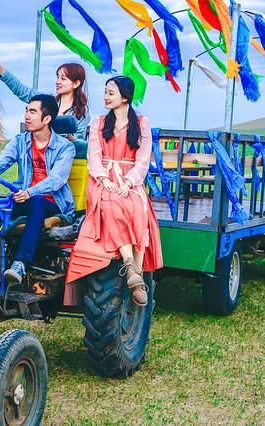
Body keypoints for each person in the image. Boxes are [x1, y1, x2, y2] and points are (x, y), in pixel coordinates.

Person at [79, 76, 163, 306]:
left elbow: (143, 160)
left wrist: (128, 182)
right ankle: (130, 266)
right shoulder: (98, 123)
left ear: (125, 97)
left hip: (129, 178)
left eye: (111, 93)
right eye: (105, 92)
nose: (106, 97)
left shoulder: (142, 123)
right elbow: (93, 157)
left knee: (137, 207)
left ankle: (137, 273)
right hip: (103, 178)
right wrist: (104, 179)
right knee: (111, 203)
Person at [0, 94, 76, 284]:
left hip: (53, 204)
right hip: (25, 199)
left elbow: (57, 179)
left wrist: (30, 192)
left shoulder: (65, 147)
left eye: (33, 112)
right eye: (26, 111)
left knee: (37, 202)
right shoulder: (20, 142)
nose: (27, 116)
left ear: (46, 119)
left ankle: (20, 263)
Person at [0, 51, 90, 142]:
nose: (58, 81)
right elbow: (21, 90)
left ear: (76, 83)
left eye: (63, 78)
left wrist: (73, 139)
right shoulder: (47, 101)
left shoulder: (82, 111)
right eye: (57, 77)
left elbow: (79, 141)